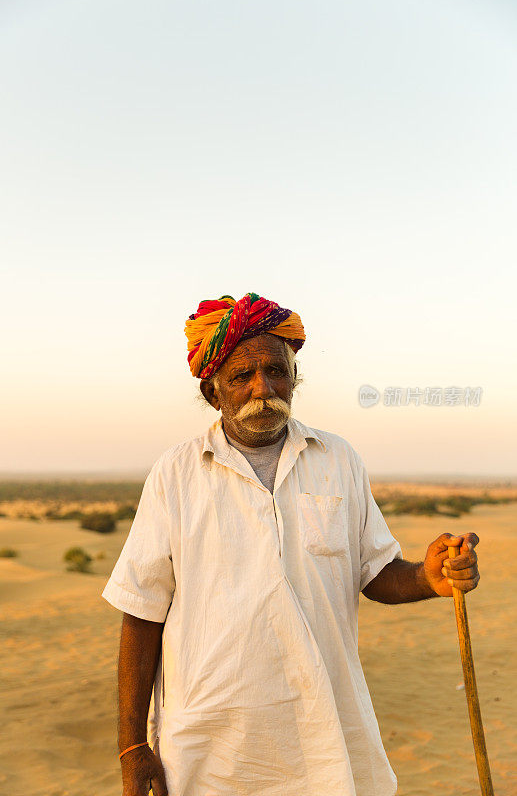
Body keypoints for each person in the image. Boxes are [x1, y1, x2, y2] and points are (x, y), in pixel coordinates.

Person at [102, 292, 481, 796]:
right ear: (214, 393)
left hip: (326, 736)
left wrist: (426, 577)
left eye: (277, 371)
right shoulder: (175, 474)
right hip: (210, 747)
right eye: (242, 377)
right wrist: (132, 749)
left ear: (295, 377)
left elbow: (374, 573)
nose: (264, 388)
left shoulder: (337, 459)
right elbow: (142, 611)